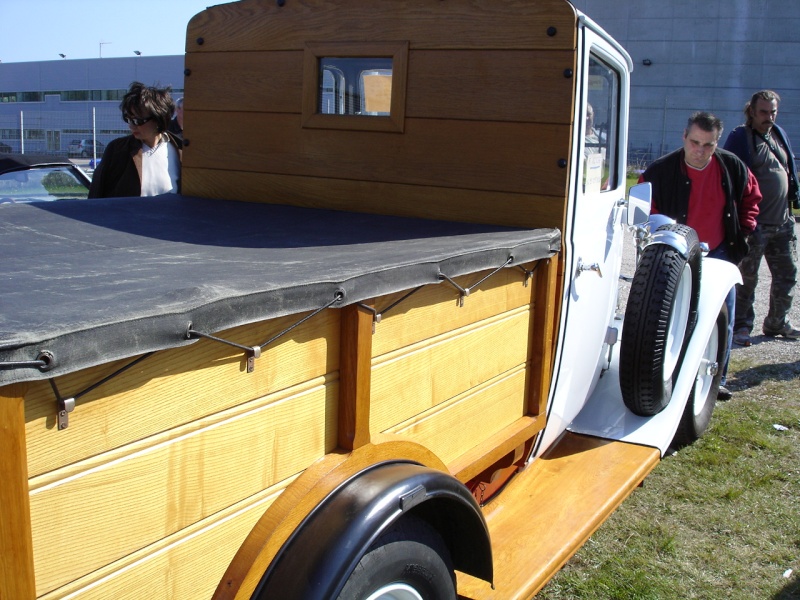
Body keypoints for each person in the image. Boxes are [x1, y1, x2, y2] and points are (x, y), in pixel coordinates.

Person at [640, 111, 761, 400]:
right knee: (670, 316)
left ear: (717, 143)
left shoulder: (732, 166)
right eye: (695, 142)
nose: (700, 150)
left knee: (722, 317)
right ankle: (668, 375)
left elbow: (751, 198)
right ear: (684, 137)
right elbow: (645, 208)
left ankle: (715, 379)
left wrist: (743, 232)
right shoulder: (660, 171)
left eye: (708, 145)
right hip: (676, 254)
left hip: (720, 252)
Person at [723, 90, 800, 346]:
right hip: (755, 225)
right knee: (747, 278)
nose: (769, 117)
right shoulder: (740, 138)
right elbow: (731, 177)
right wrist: (742, 222)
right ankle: (742, 325)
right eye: (764, 112)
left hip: (783, 222)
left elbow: (789, 171)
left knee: (788, 274)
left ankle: (777, 322)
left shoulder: (778, 134)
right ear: (752, 112)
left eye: (773, 112)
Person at [89, 82, 182, 198]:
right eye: (128, 119)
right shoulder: (117, 150)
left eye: (138, 121)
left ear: (159, 118)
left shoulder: (180, 148)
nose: (132, 126)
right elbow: (96, 195)